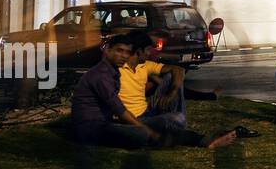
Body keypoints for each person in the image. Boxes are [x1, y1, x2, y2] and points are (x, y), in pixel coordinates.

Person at [71, 38, 237, 150]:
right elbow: (119, 110)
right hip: (93, 130)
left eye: (126, 52)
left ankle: (200, 139)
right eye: (119, 51)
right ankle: (196, 139)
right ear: (107, 51)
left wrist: (166, 89)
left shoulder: (111, 72)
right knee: (143, 132)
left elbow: (173, 74)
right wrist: (148, 130)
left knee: (149, 129)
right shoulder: (102, 75)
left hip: (108, 123)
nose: (123, 56)